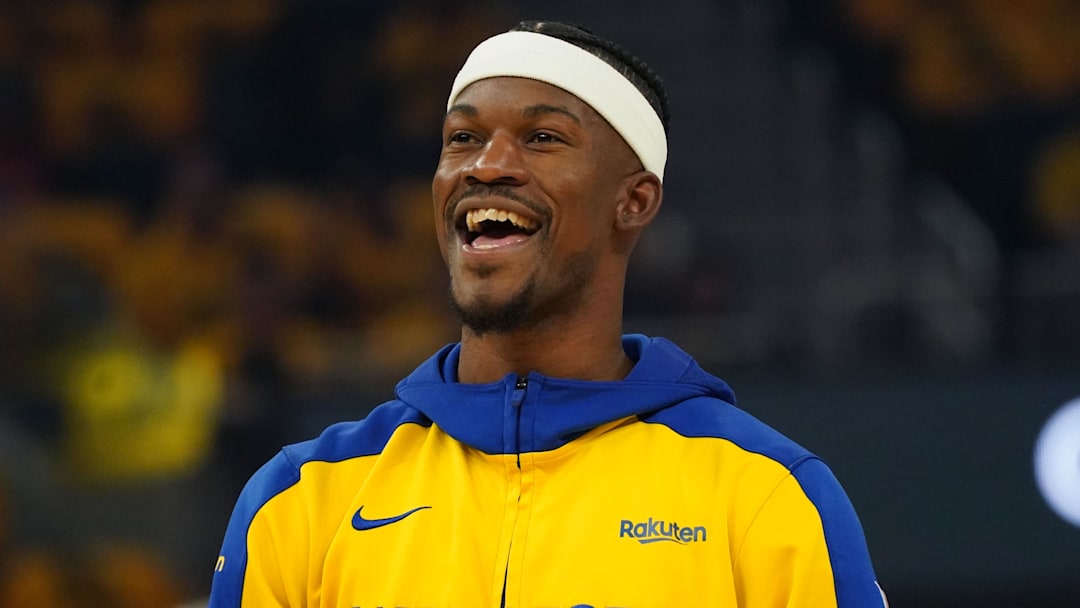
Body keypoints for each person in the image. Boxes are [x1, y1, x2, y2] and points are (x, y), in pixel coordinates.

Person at [208, 19, 888, 607]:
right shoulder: (300, 501)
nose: (487, 165)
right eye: (462, 139)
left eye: (542, 139)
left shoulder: (762, 494)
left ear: (636, 201)